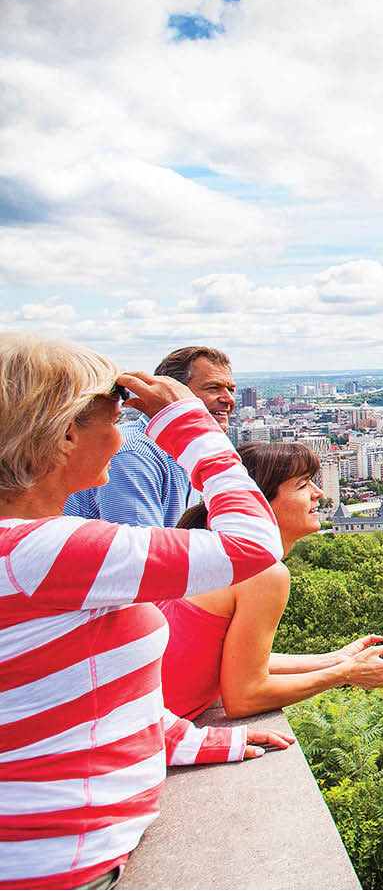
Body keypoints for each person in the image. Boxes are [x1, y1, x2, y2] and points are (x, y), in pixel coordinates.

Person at [0, 334, 292, 890]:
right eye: (113, 418)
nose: (125, 435)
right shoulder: (41, 553)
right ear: (63, 435)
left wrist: (190, 740)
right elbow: (254, 547)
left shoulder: (24, 555)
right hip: (57, 870)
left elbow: (78, 695)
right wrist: (189, 426)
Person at [160, 443, 383, 720]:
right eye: (303, 485)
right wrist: (345, 674)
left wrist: (336, 659)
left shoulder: (219, 554)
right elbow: (244, 696)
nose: (318, 494)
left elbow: (235, 662)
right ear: (260, 503)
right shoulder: (262, 571)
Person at [63, 345, 238, 529]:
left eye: (231, 390)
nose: (228, 399)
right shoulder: (135, 455)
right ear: (172, 392)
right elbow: (139, 553)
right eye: (213, 388)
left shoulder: (186, 452)